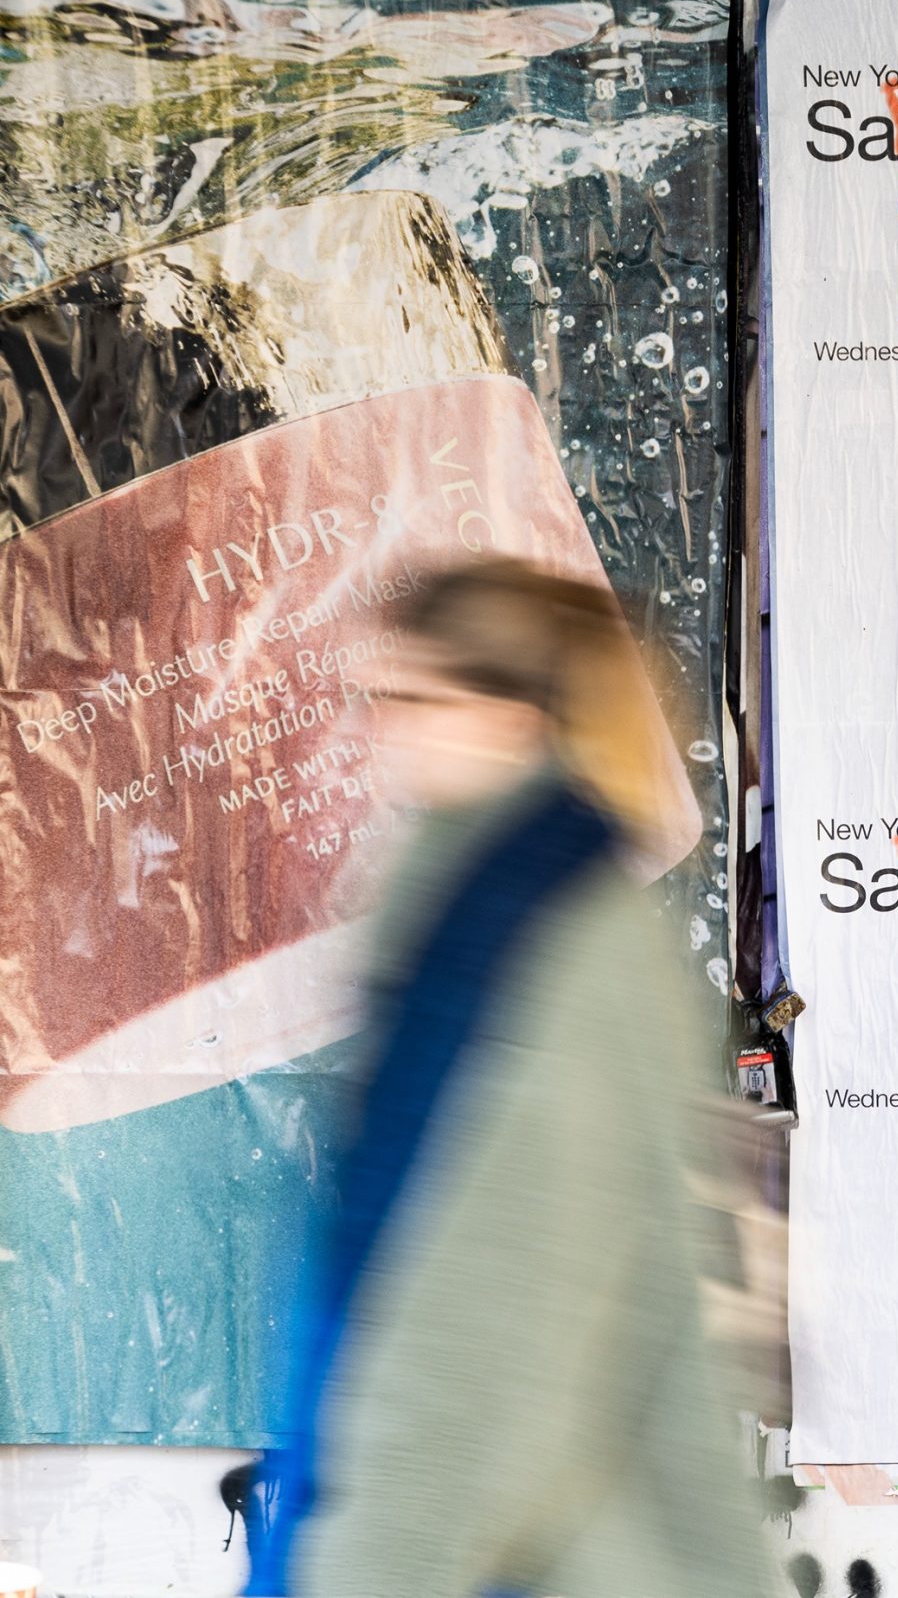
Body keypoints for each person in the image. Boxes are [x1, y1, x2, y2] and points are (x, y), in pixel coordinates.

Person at [247, 560, 768, 1598]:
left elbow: (490, 1319)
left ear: (509, 719)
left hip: (565, 1558)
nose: (373, 727)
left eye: (409, 697)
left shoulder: (526, 940)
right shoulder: (501, 905)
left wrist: (369, 1570)